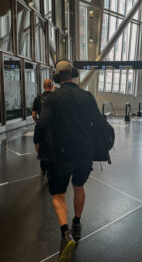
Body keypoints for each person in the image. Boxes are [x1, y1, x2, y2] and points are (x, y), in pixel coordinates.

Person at [34, 60, 104, 262]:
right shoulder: (87, 96)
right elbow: (99, 124)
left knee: (58, 194)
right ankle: (77, 223)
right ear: (74, 74)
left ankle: (65, 234)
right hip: (84, 153)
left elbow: (42, 124)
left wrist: (37, 143)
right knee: (79, 187)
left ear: (57, 78)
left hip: (60, 155)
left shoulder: (53, 98)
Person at [32, 79, 53, 174]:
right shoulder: (55, 97)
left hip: (41, 124)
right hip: (53, 125)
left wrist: (38, 122)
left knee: (37, 141)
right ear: (52, 86)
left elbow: (33, 115)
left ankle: (41, 157)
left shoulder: (38, 98)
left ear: (43, 86)